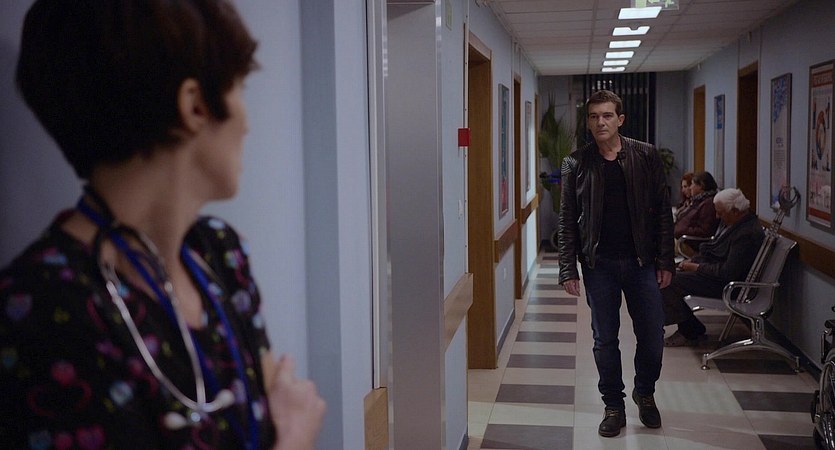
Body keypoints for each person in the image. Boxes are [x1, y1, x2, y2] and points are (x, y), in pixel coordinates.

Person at [0, 1, 325, 449]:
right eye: (240, 88)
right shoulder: (39, 310)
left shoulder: (219, 253)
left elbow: (272, 399)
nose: (248, 124)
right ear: (195, 105)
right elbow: (285, 422)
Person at [558, 90, 675, 437]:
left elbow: (663, 212)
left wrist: (665, 260)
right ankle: (613, 405)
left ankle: (645, 392)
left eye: (607, 115)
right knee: (605, 339)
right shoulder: (575, 163)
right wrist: (568, 268)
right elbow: (567, 219)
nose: (600, 122)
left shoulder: (646, 155)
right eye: (594, 116)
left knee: (652, 335)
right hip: (600, 265)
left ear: (620, 119)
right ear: (588, 121)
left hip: (642, 262)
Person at [662, 188, 765, 347]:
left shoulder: (746, 235)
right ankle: (690, 329)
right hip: (719, 279)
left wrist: (696, 267)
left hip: (730, 287)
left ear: (735, 211)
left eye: (720, 213)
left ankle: (690, 331)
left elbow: (728, 272)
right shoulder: (740, 225)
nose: (717, 217)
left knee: (669, 281)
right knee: (670, 276)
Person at [674, 171, 720, 257]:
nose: (690, 187)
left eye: (692, 184)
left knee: (662, 244)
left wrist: (682, 230)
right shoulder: (698, 201)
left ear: (701, 186)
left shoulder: (708, 204)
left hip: (691, 243)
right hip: (682, 237)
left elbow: (705, 231)